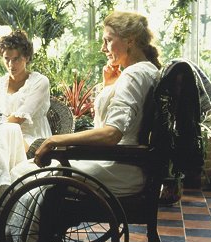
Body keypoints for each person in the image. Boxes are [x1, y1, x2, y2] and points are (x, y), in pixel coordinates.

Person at [33, 11, 161, 197]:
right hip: (126, 163)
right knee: (32, 171)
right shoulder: (148, 70)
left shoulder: (133, 76)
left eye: (108, 40)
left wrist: (55, 139)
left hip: (119, 168)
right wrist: (110, 85)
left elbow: (111, 134)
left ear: (130, 41)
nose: (103, 48)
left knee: (24, 173)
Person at [0, 30, 52, 152]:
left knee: (3, 149)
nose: (10, 64)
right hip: (5, 135)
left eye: (16, 59)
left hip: (34, 138)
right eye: (6, 59)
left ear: (26, 58)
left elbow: (20, 118)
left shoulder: (40, 82)